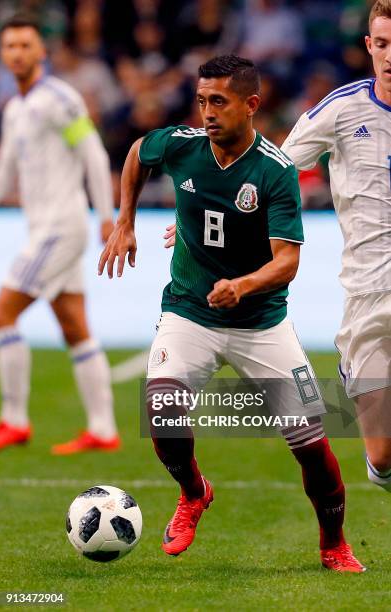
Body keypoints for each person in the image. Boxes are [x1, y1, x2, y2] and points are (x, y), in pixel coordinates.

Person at [99, 55, 364, 572]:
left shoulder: (276, 170)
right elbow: (137, 151)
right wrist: (124, 219)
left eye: (218, 101)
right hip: (189, 312)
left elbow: (287, 261)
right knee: (160, 410)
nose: (207, 113)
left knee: (312, 445)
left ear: (251, 105)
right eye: (201, 101)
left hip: (261, 324)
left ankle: (334, 543)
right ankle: (194, 492)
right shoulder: (183, 146)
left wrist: (242, 285)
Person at [281, 0, 391, 494]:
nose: (390, 55)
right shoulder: (342, 110)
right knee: (383, 458)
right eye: (383, 44)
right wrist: (205, 214)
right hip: (370, 298)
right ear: (369, 46)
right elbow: (274, 171)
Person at [0, 14, 120, 454]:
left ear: (41, 52)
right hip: (42, 228)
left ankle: (13, 420)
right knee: (75, 327)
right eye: (10, 46)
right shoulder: (14, 108)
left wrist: (108, 215)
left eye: (25, 45)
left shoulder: (59, 98)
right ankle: (103, 430)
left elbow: (92, 154)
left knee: (2, 314)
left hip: (60, 227)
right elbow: (6, 170)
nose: (17, 53)